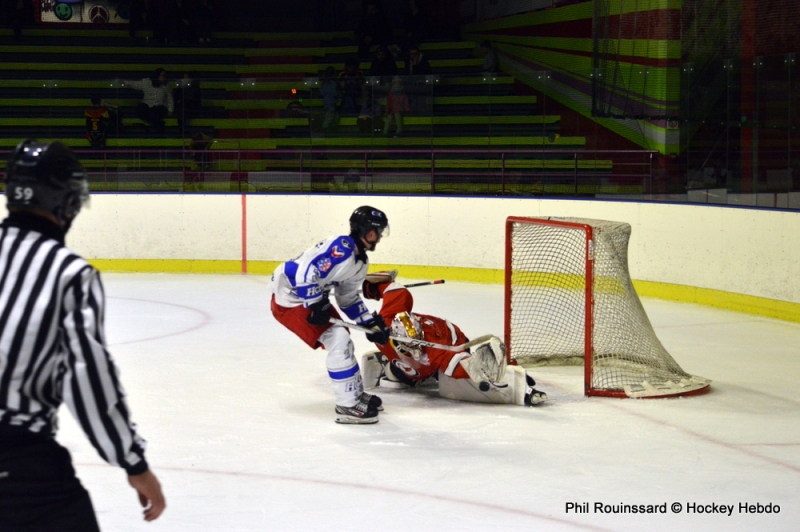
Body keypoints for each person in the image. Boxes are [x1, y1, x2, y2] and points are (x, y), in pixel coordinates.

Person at [0, 140, 166, 530]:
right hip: (18, 461)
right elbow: (87, 377)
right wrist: (132, 461)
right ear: (67, 202)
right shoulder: (68, 274)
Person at [269, 206, 391, 424]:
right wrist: (316, 303)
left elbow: (348, 299)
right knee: (338, 340)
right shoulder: (341, 248)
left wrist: (369, 323)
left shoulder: (360, 262)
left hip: (310, 296)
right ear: (368, 232)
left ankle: (354, 395)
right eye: (378, 232)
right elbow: (306, 271)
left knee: (343, 337)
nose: (380, 238)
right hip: (290, 298)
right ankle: (347, 406)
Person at [359, 271, 548, 407]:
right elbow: (394, 288)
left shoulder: (397, 323)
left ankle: (401, 373)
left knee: (446, 376)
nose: (417, 344)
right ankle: (396, 372)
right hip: (427, 363)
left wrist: (370, 287)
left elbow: (394, 289)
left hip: (455, 339)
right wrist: (371, 288)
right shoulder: (392, 329)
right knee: (408, 377)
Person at [123, 68, 174, 134]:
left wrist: (170, 110)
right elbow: (136, 84)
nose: (164, 78)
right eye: (162, 76)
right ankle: (158, 124)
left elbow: (170, 99)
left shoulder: (167, 85)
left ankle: (157, 126)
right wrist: (125, 82)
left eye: (165, 76)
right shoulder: (147, 82)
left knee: (155, 111)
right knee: (141, 109)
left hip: (160, 106)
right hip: (147, 104)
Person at [173, 72, 202, 137]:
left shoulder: (195, 88)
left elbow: (195, 99)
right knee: (180, 108)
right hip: (182, 107)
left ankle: (182, 129)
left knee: (181, 107)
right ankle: (182, 129)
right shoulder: (180, 88)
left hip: (191, 107)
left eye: (186, 77)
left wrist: (183, 100)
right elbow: (176, 98)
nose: (184, 79)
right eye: (184, 77)